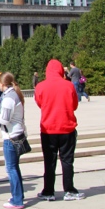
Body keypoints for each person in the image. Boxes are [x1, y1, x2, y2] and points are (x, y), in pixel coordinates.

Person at [34, 59, 84, 201]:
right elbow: (74, 105)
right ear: (61, 70)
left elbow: (39, 103)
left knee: (49, 161)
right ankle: (69, 189)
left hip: (48, 129)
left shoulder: (41, 86)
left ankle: (48, 191)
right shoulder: (68, 86)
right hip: (66, 127)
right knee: (67, 160)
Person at [0, 72, 26, 209]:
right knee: (14, 168)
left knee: (11, 169)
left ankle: (17, 199)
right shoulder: (12, 95)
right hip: (15, 134)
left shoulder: (9, 98)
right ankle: (18, 195)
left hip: (11, 137)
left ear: (2, 84)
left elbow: (4, 119)